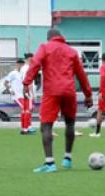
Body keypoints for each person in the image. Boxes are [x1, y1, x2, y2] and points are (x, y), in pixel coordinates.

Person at [23, 28, 92, 173]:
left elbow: (35, 64)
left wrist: (26, 83)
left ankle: (50, 163)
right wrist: (88, 95)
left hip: (52, 92)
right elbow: (81, 74)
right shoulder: (71, 51)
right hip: (69, 91)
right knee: (70, 123)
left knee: (46, 126)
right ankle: (67, 158)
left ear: (49, 38)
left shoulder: (45, 47)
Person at [4, 59, 33, 135]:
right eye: (20, 64)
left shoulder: (24, 73)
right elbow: (5, 83)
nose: (21, 66)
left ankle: (25, 129)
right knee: (26, 110)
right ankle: (26, 129)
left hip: (25, 95)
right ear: (17, 64)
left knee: (26, 111)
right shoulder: (13, 73)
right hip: (17, 95)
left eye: (23, 65)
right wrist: (10, 90)